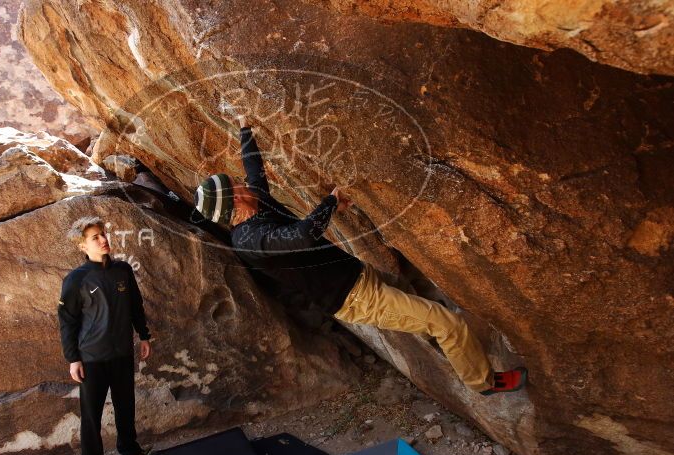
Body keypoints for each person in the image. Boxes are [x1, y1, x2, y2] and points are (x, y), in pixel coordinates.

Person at [193, 116, 527, 395]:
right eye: (235, 185)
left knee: (423, 314)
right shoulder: (252, 241)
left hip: (357, 276)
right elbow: (303, 236)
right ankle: (483, 383)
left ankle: (449, 348)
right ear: (235, 201)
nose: (243, 183)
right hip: (355, 298)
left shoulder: (255, 205)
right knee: (446, 322)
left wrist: (244, 129)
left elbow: (255, 172)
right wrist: (332, 201)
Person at [57, 216, 153, 455]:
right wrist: (72, 358)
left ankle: (129, 450)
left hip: (122, 352)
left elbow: (135, 305)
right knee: (91, 415)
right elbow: (67, 320)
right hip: (92, 359)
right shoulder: (76, 279)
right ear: (82, 246)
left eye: (103, 234)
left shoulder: (123, 270)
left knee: (126, 405)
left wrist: (143, 335)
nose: (103, 240)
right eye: (95, 237)